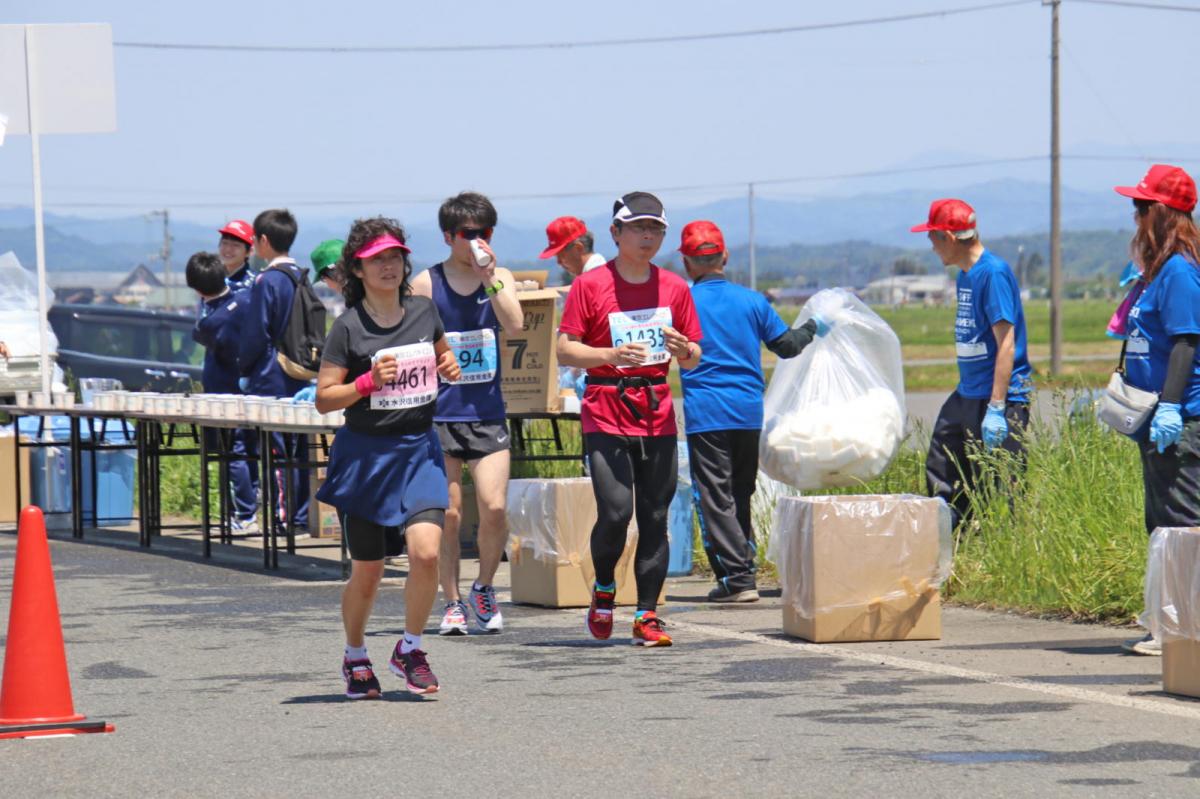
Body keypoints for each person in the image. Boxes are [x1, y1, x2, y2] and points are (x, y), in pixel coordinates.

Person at [315, 217, 462, 697]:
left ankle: (410, 648)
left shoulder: (424, 311)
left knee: (424, 554)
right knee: (370, 568)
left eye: (395, 256)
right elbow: (325, 398)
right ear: (356, 269)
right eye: (377, 258)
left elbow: (443, 359)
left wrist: (449, 364)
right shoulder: (347, 328)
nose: (388, 265)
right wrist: (366, 383)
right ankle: (355, 655)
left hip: (418, 449)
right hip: (366, 457)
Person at [557, 191, 703, 647]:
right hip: (604, 406)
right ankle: (604, 588)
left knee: (655, 516)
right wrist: (609, 354)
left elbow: (695, 357)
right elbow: (565, 348)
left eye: (656, 229)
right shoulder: (590, 285)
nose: (647, 236)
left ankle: (647, 614)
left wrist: (685, 351)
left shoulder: (675, 287)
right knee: (617, 513)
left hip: (656, 409)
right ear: (616, 232)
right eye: (638, 228)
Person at [677, 220, 829, 603]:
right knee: (740, 491)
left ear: (687, 263)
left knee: (714, 496)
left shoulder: (680, 304)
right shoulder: (753, 301)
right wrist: (814, 327)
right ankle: (742, 564)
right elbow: (788, 346)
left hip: (707, 412)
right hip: (748, 411)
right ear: (724, 257)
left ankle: (738, 578)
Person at [411, 192, 523, 635]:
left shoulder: (501, 277)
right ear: (448, 237)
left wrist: (490, 279)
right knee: (451, 512)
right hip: (439, 413)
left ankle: (485, 586)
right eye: (467, 234)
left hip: (488, 410)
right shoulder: (426, 282)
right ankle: (452, 600)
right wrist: (436, 359)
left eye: (485, 233)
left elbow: (514, 325)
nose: (477, 240)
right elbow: (410, 340)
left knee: (494, 506)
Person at [1111, 165, 1200, 657]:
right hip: (1154, 418)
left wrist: (1169, 406)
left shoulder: (1182, 272)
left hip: (1180, 421)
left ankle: (1183, 628)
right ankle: (1169, 624)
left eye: (1142, 208)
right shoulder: (1160, 271)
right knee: (1163, 526)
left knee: (1183, 526)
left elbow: (1187, 342)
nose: (1135, 215)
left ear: (1163, 214)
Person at [912, 198, 1032, 531]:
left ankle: (1009, 553)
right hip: (967, 393)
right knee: (944, 462)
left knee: (1002, 483)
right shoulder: (965, 275)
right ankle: (952, 538)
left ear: (948, 237)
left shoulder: (991, 273)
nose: (932, 248)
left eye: (932, 238)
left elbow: (1006, 343)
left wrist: (997, 407)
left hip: (999, 398)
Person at [237, 208, 310, 531]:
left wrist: (245, 367)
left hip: (271, 375)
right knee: (301, 447)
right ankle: (302, 513)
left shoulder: (267, 280)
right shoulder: (301, 276)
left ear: (263, 241)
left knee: (277, 451)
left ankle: (285, 517)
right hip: (302, 372)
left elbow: (256, 333)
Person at [185, 252, 259, 531]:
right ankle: (251, 503)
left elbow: (199, 332)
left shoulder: (211, 321)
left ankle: (245, 514)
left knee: (233, 452)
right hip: (247, 387)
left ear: (197, 287)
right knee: (246, 449)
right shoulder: (245, 299)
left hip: (223, 393)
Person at [538, 216, 606, 278]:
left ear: (578, 248)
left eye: (561, 256)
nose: (558, 262)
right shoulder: (602, 270)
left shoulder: (591, 280)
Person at [217, 220, 257, 291]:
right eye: (225, 243)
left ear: (249, 252)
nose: (228, 249)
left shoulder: (254, 284)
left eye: (236, 245)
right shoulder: (212, 277)